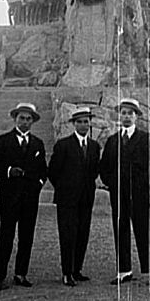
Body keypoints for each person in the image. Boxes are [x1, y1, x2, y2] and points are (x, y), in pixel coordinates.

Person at [99, 98, 150, 288]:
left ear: (136, 116)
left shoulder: (146, 139)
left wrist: (142, 183)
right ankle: (124, 270)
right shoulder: (112, 141)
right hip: (119, 194)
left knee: (144, 230)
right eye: (124, 113)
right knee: (121, 229)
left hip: (139, 193)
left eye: (130, 113)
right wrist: (112, 183)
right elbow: (105, 167)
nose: (126, 116)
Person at [0, 102, 48, 290]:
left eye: (28, 119)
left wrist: (38, 184)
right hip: (9, 196)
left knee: (26, 235)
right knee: (6, 235)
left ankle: (21, 273)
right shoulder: (2, 141)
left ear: (33, 122)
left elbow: (43, 170)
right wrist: (8, 171)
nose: (25, 122)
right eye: (21, 118)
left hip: (30, 197)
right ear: (15, 119)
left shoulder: (37, 143)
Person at [48, 107, 100, 287]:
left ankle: (77, 270)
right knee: (68, 234)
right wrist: (65, 189)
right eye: (80, 122)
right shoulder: (63, 145)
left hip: (86, 198)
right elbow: (53, 172)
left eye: (86, 121)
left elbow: (94, 171)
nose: (83, 125)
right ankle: (66, 272)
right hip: (67, 199)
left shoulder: (94, 146)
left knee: (82, 233)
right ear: (73, 124)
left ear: (90, 123)